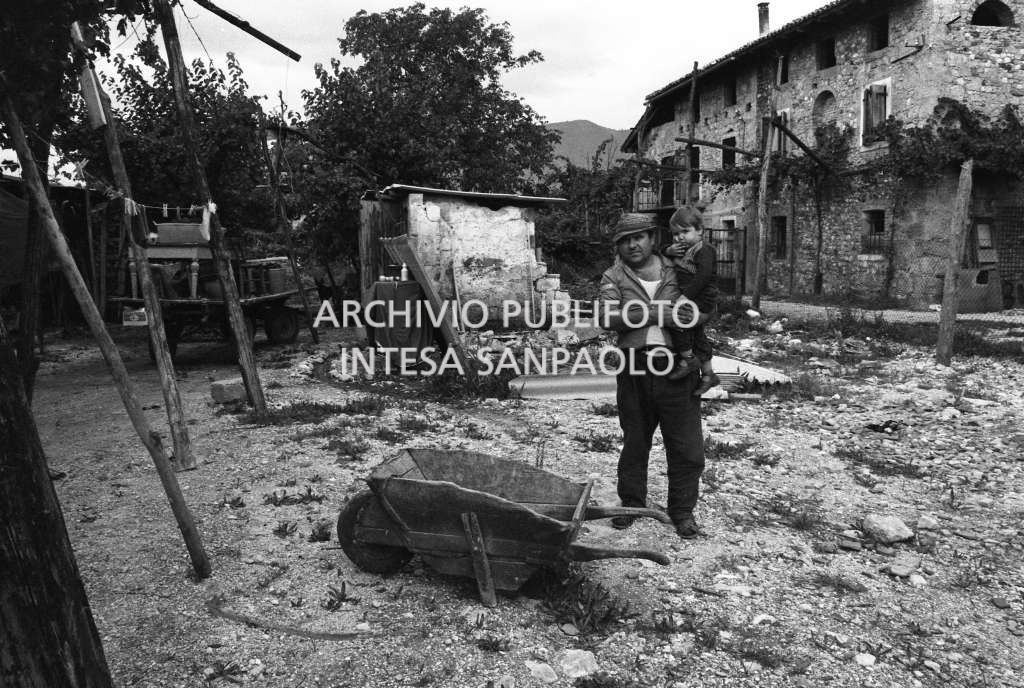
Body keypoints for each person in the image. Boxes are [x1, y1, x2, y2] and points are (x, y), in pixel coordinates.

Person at [599, 212, 706, 539]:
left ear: (652, 238)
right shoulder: (613, 276)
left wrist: (701, 355)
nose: (633, 244)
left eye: (639, 237)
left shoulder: (679, 269)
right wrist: (658, 312)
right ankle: (631, 503)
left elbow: (701, 306)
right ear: (618, 245)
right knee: (635, 440)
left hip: (677, 366)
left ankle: (682, 511)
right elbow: (606, 317)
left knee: (687, 446)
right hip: (635, 367)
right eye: (625, 240)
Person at [664, 206, 721, 396]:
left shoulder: (704, 250)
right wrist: (668, 250)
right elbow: (659, 252)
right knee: (697, 335)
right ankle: (708, 375)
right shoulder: (681, 249)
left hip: (702, 297)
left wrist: (684, 297)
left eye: (685, 232)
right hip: (692, 296)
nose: (679, 237)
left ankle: (687, 359)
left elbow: (703, 277)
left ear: (700, 231)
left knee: (677, 321)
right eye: (675, 234)